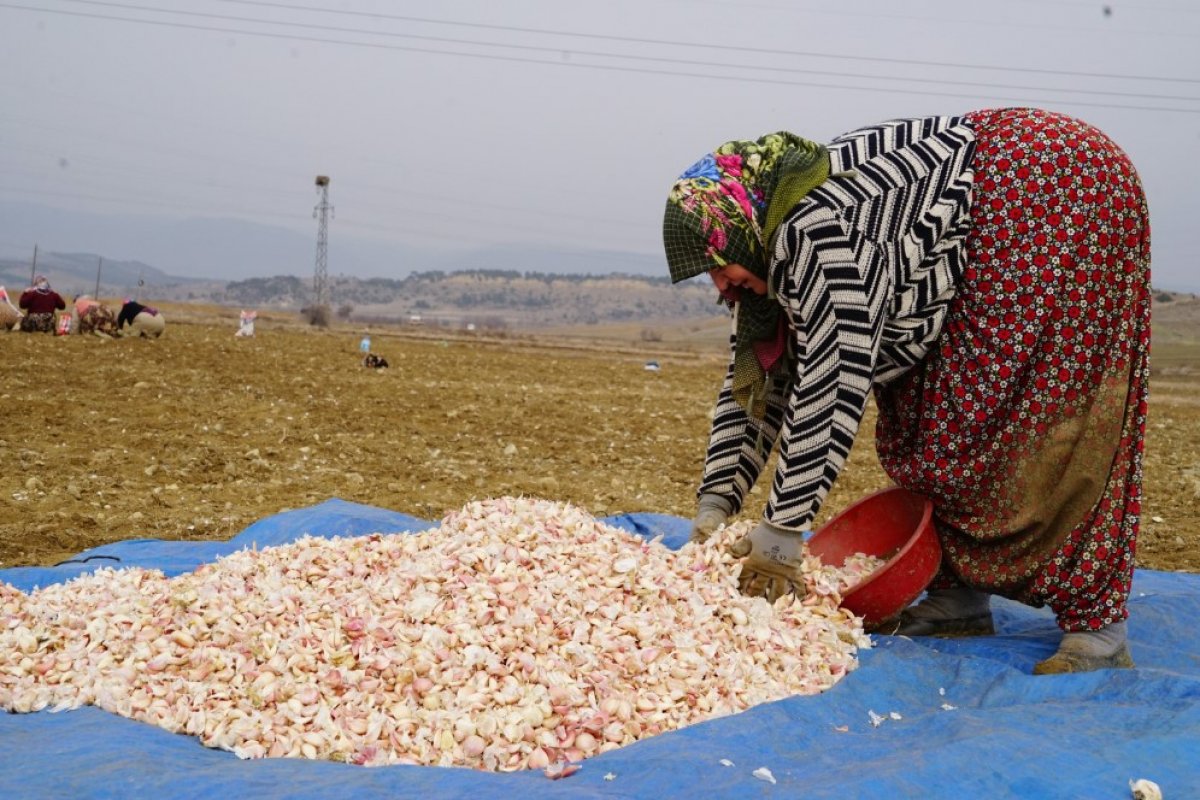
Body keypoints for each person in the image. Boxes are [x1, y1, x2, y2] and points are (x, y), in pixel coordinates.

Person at [663, 108, 1150, 675]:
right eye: (710, 273)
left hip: (1050, 190)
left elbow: (831, 386)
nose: (720, 284)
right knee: (936, 419)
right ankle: (959, 597)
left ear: (742, 228)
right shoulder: (767, 249)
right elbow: (759, 389)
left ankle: (1097, 625)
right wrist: (714, 505)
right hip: (979, 218)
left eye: (720, 265)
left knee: (1042, 415)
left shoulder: (819, 232)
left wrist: (779, 538)